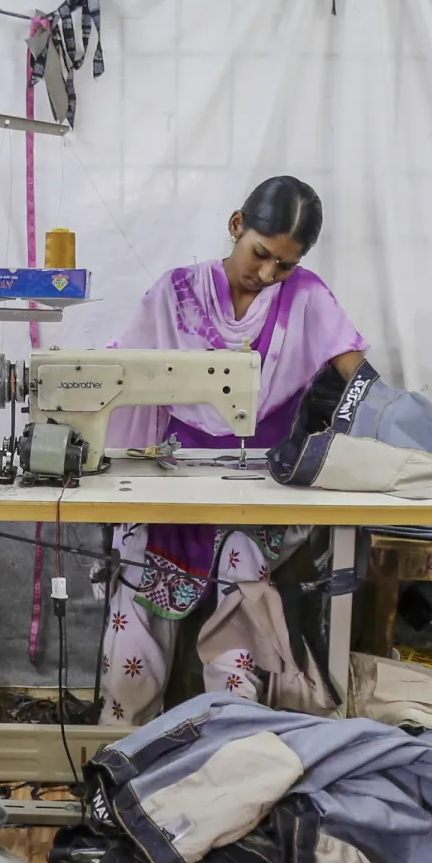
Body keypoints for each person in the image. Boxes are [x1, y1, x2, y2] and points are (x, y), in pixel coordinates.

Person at [98, 176, 368, 723]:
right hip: (176, 467)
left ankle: (236, 734)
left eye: (284, 265)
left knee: (243, 568)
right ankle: (122, 733)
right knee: (138, 551)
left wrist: (403, 424)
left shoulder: (307, 297)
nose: (268, 274)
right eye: (261, 254)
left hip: (264, 478)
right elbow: (115, 372)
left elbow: (359, 378)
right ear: (236, 226)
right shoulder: (175, 294)